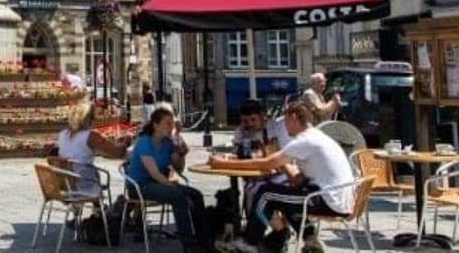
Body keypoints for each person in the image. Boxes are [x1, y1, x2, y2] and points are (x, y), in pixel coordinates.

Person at [224, 101, 357, 252]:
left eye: (285, 121)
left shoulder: (304, 140)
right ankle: (308, 239)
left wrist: (222, 163)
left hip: (329, 201)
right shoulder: (317, 136)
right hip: (336, 198)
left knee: (267, 194)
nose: (284, 127)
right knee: (282, 193)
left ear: (293, 118)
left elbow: (268, 164)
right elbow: (298, 179)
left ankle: (249, 243)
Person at [126, 106, 213, 252]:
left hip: (159, 183)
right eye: (168, 123)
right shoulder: (144, 142)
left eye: (172, 123)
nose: (171, 127)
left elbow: (177, 168)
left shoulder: (167, 143)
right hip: (141, 186)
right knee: (178, 196)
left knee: (196, 195)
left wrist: (180, 153)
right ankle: (189, 245)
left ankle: (204, 241)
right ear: (156, 125)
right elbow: (154, 173)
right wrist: (171, 185)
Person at [55, 101, 125, 196]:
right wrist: (126, 143)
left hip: (64, 181)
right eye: (93, 117)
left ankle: (97, 207)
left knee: (93, 172)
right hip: (82, 181)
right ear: (88, 119)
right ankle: (99, 207)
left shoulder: (63, 134)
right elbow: (117, 153)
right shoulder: (90, 136)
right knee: (93, 173)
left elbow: (77, 152)